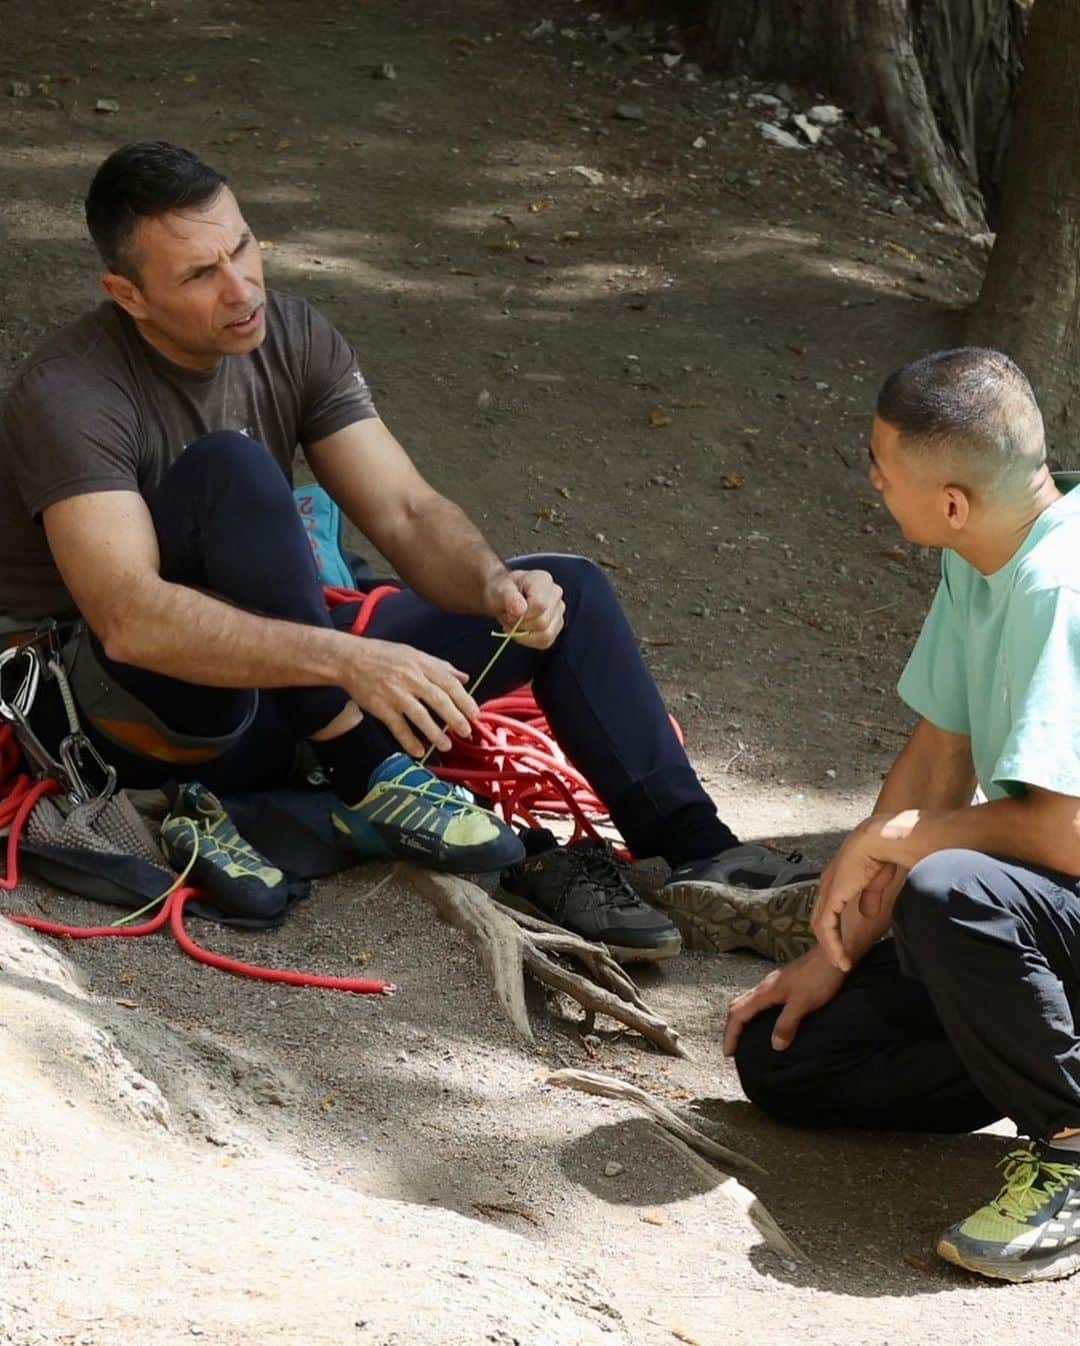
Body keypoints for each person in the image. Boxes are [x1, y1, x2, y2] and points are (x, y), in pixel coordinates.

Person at [0, 140, 814, 962]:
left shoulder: (290, 334)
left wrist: (497, 586)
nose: (241, 289)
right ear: (127, 296)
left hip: (294, 679)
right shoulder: (71, 393)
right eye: (198, 275)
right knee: (234, 469)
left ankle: (698, 853)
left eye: (241, 247)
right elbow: (129, 619)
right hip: (139, 714)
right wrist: (346, 663)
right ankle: (362, 777)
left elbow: (408, 509)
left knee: (568, 592)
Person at [727, 348, 1080, 1283]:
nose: (875, 478)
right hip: (1055, 925)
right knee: (787, 1063)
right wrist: (833, 955)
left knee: (953, 887)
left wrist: (900, 842)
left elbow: (1066, 835)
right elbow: (939, 756)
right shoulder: (983, 559)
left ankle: (1075, 1153)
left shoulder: (1061, 586)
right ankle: (1045, 1069)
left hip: (1058, 890)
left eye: (882, 466)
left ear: (953, 502)